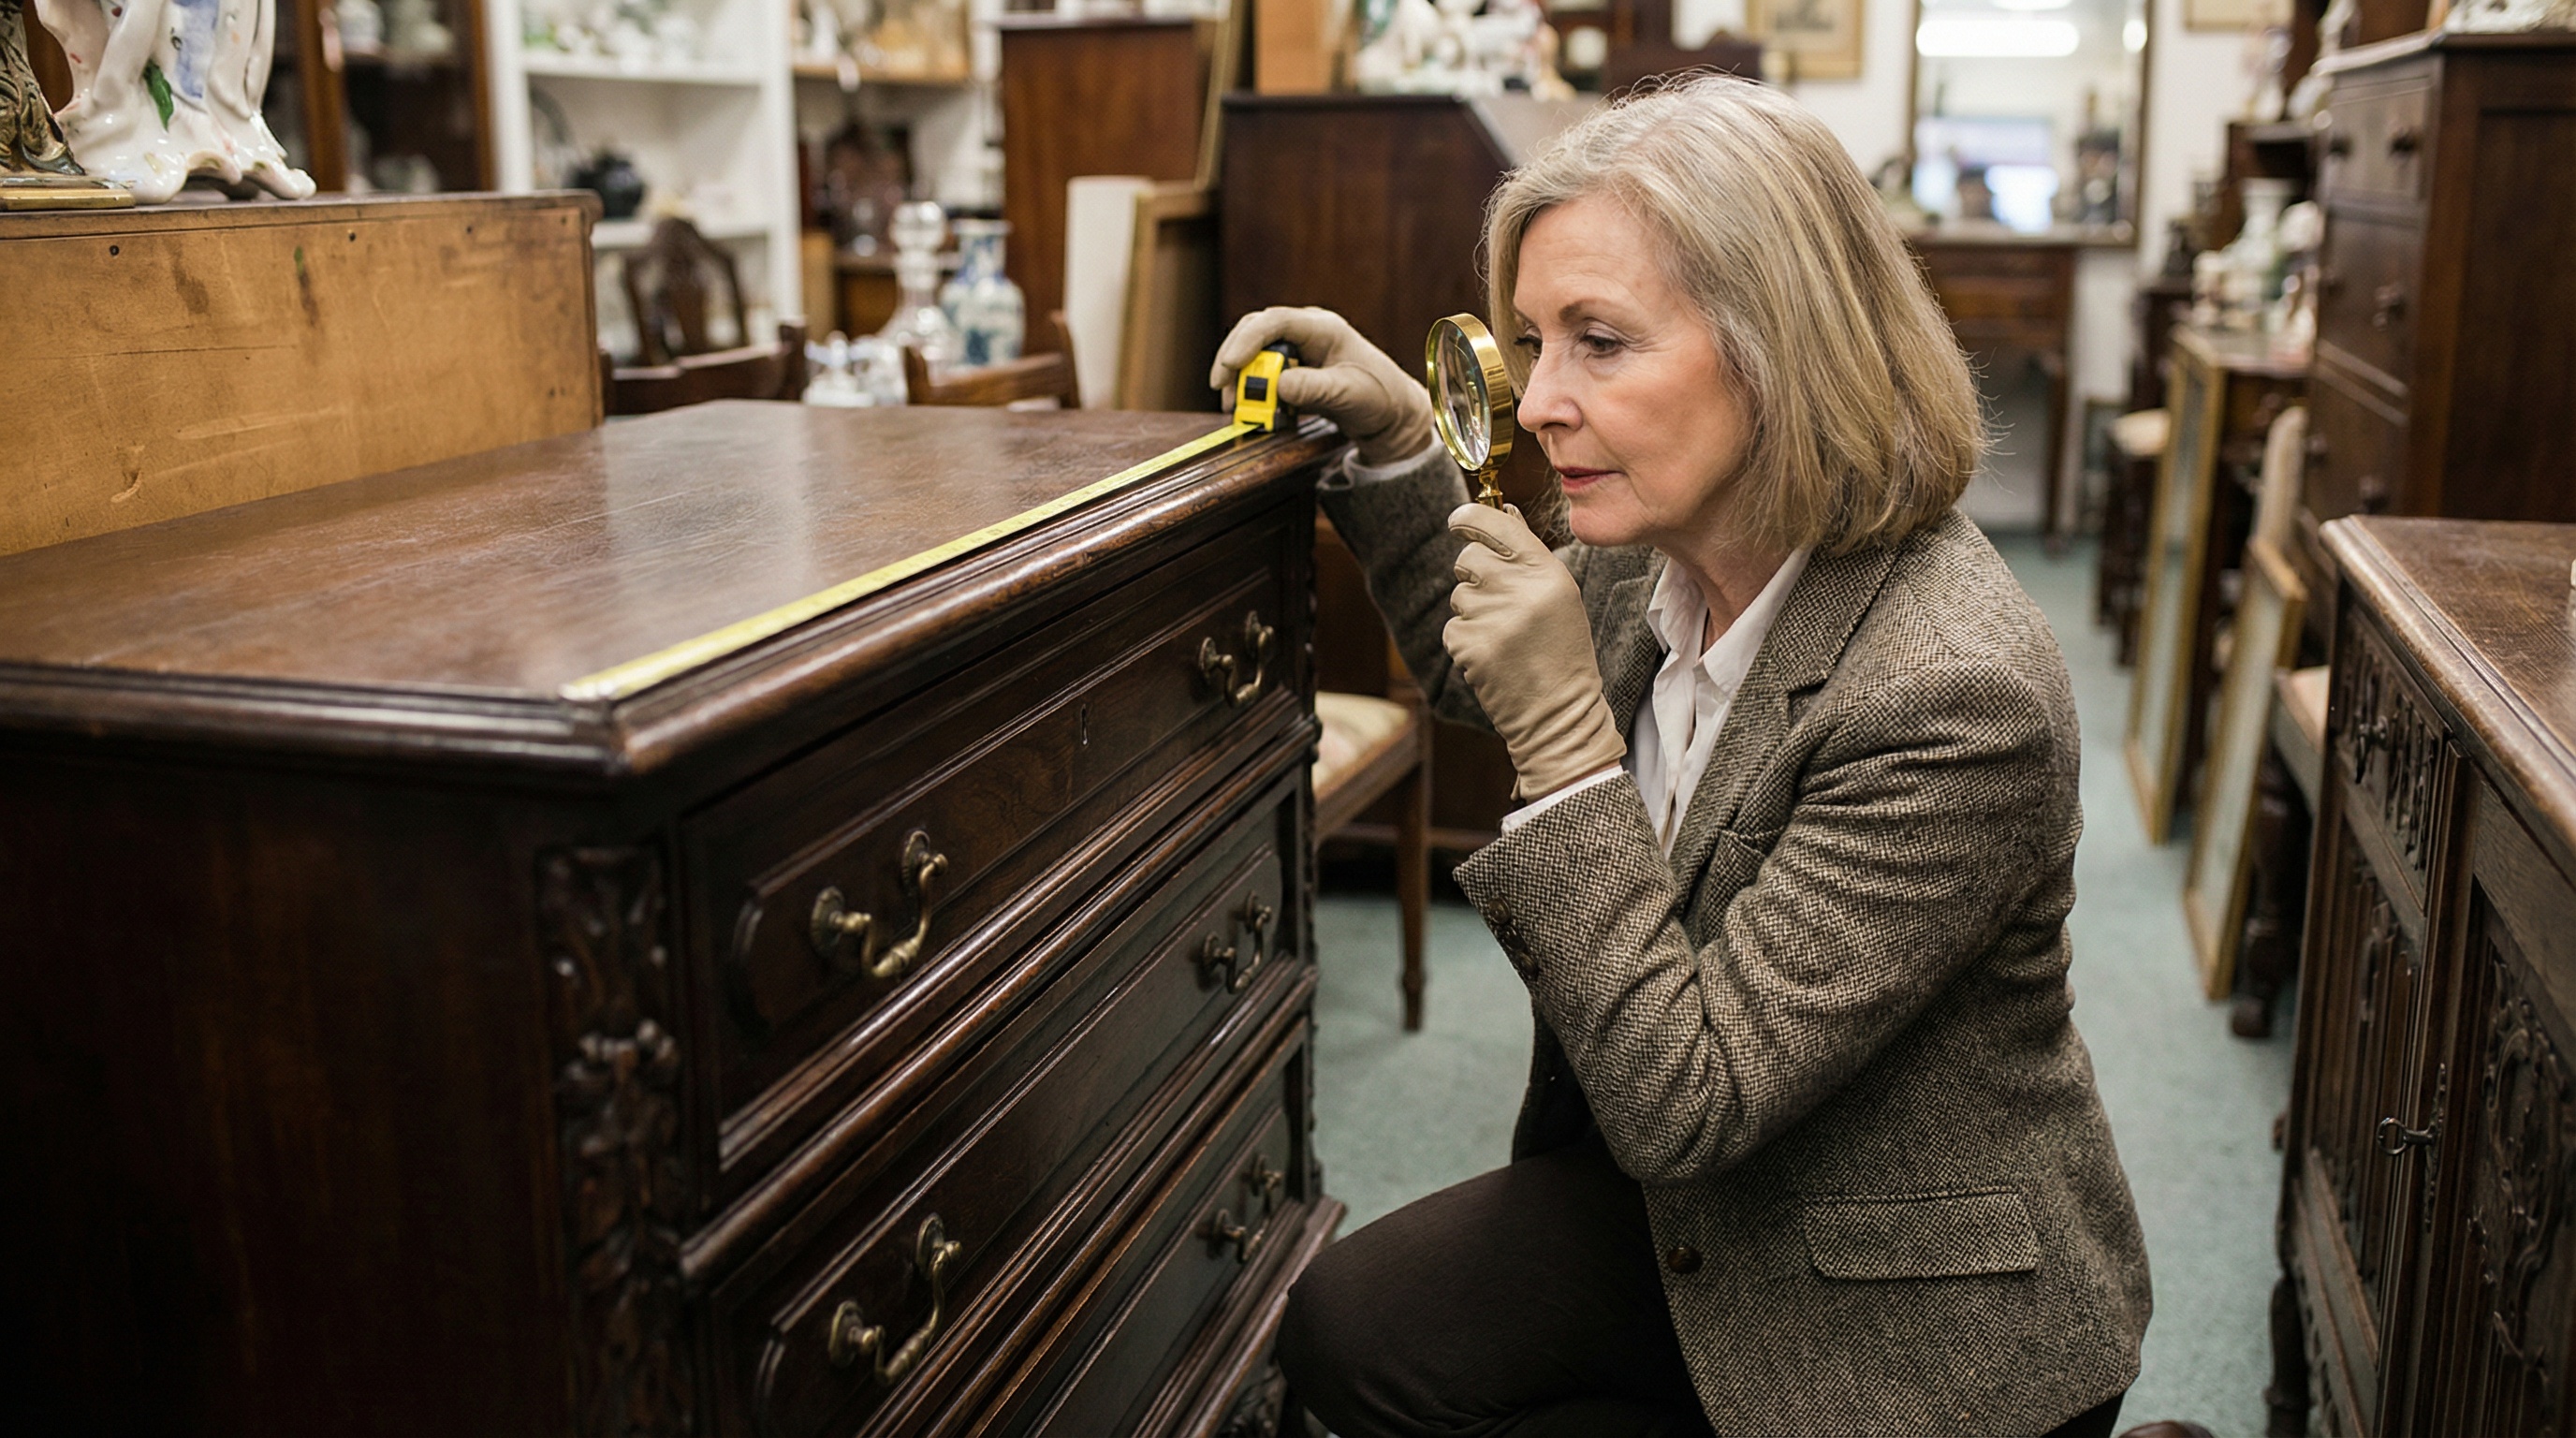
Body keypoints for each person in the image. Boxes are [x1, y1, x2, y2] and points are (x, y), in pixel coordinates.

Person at [1209, 75, 2150, 1438]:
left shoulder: (1954, 687)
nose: (1536, 403)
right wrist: (1406, 440)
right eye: (1531, 344)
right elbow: (1483, 646)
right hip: (1719, 1196)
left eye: (1600, 342)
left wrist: (1563, 738)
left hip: (1903, 1313)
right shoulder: (1681, 552)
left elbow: (1686, 1103)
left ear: (1783, 349)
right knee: (1348, 1329)